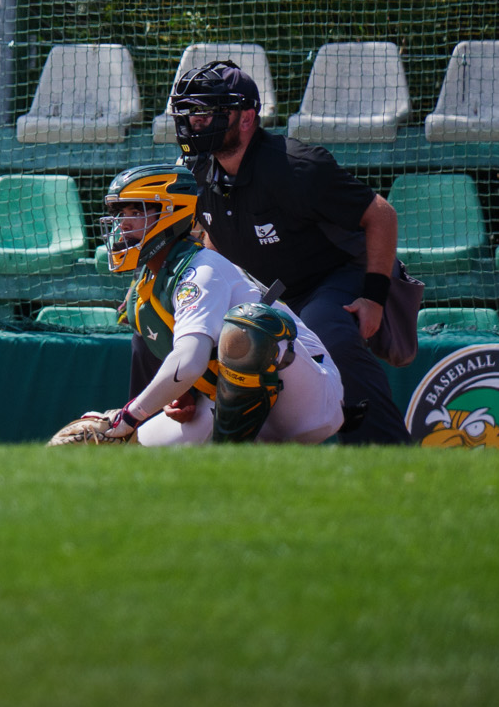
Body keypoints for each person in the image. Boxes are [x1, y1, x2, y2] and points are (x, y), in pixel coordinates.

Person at [167, 60, 410, 445]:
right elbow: (214, 240)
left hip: (339, 274)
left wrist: (374, 298)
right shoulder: (194, 171)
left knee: (326, 331)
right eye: (189, 114)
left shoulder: (295, 166)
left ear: (246, 118)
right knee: (173, 317)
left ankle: (387, 451)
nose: (194, 123)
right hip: (270, 290)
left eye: (206, 113)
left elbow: (381, 214)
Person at [51, 164, 343, 445]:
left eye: (136, 212)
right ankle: (239, 454)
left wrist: (128, 416)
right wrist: (183, 391)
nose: (123, 224)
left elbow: (189, 362)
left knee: (248, 326)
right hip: (233, 402)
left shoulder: (201, 269)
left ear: (171, 214)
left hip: (309, 398)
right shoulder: (146, 287)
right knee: (134, 452)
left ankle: (233, 460)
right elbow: (186, 366)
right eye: (120, 214)